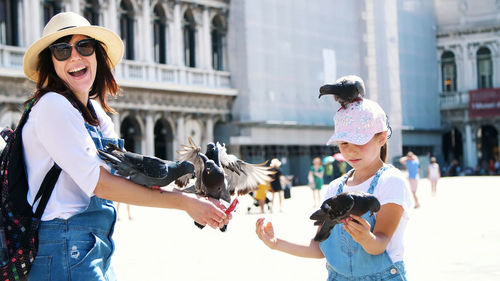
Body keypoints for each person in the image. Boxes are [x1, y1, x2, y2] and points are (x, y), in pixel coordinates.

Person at [22, 12, 230, 281]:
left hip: (92, 244)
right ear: (51, 62)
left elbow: (124, 175)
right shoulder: (52, 106)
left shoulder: (95, 112)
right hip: (62, 246)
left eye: (84, 46)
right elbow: (102, 184)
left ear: (96, 54)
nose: (75, 57)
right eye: (62, 50)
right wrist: (183, 202)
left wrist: (198, 197)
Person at [256, 75, 412, 280]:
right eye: (344, 143)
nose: (351, 150)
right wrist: (276, 243)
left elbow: (379, 245)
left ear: (381, 137)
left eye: (359, 141)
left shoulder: (391, 182)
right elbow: (319, 248)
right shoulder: (336, 187)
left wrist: (367, 238)